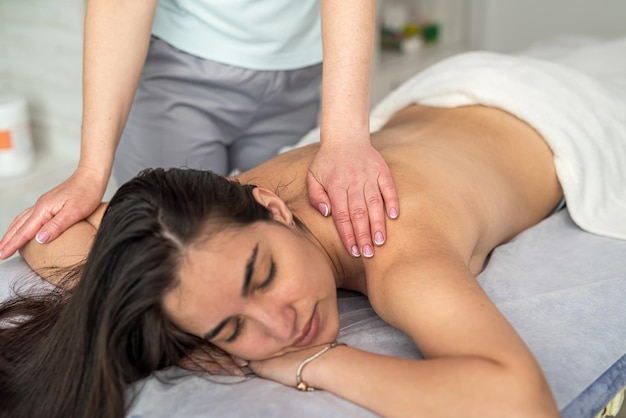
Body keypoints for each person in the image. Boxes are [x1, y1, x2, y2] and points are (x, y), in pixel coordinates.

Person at [3, 37, 626, 418]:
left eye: (265, 274)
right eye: (232, 328)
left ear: (272, 206)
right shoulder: (196, 219)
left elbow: (517, 405)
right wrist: (184, 328)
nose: (282, 324)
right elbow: (48, 232)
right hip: (437, 106)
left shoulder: (397, 251)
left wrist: (316, 363)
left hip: (549, 111)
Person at [0, 0, 399, 263]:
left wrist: (345, 135)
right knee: (172, 251)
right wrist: (90, 171)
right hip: (180, 68)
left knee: (270, 244)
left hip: (305, 67)